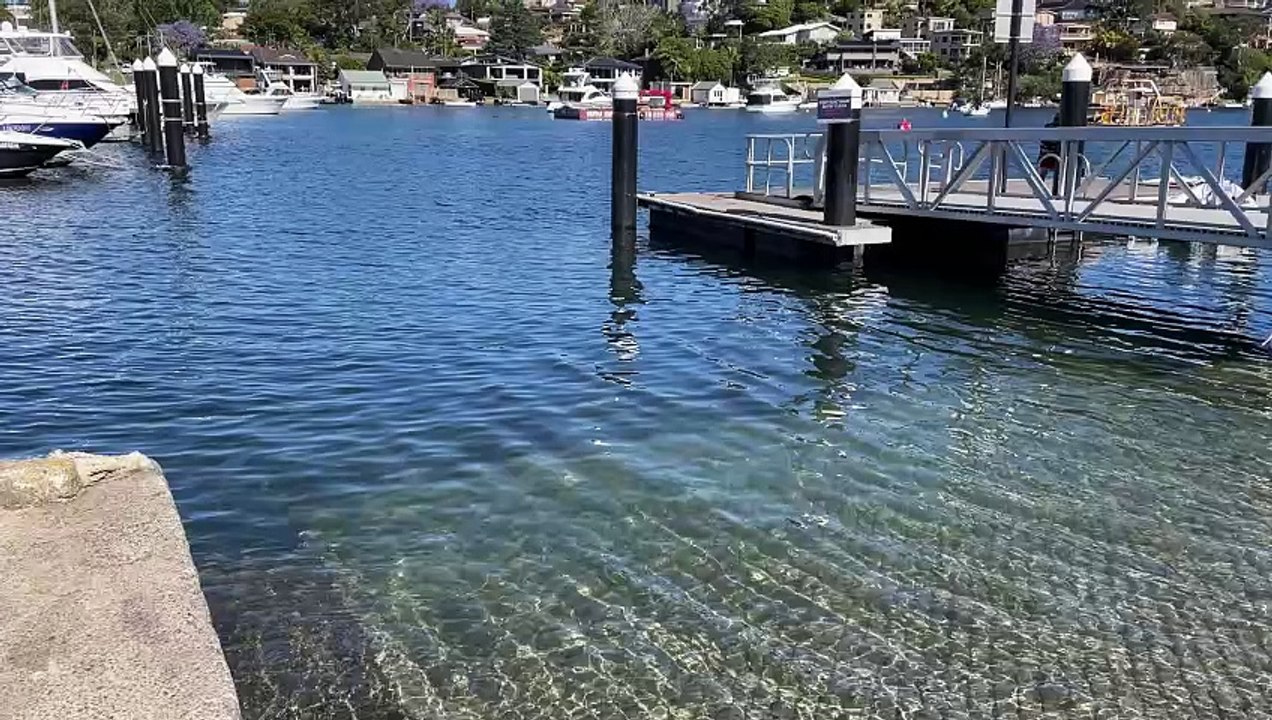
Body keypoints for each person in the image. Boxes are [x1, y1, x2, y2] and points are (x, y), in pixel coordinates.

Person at [1038, 113, 1062, 182]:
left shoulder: (1047, 127)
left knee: (1042, 173)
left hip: (1045, 155)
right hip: (1056, 155)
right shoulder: (1060, 129)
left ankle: (1039, 187)